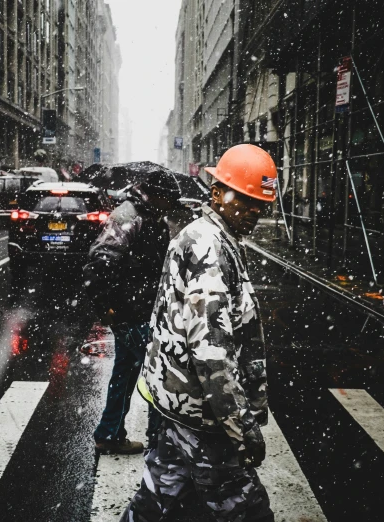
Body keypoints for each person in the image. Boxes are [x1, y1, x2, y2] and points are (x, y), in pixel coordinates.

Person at [121, 144, 278, 521]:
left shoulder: (212, 237)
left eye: (261, 204)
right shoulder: (208, 245)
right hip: (205, 416)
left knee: (157, 502)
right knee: (248, 511)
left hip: (184, 407)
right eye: (246, 200)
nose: (255, 211)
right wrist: (241, 425)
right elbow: (210, 350)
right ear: (217, 193)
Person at [83, 170, 182, 454]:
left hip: (141, 309)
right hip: (133, 313)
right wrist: (107, 308)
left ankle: (109, 434)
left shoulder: (150, 217)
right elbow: (99, 264)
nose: (171, 206)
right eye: (169, 199)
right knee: (159, 374)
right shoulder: (129, 217)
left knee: (125, 373)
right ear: (156, 195)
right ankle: (160, 444)